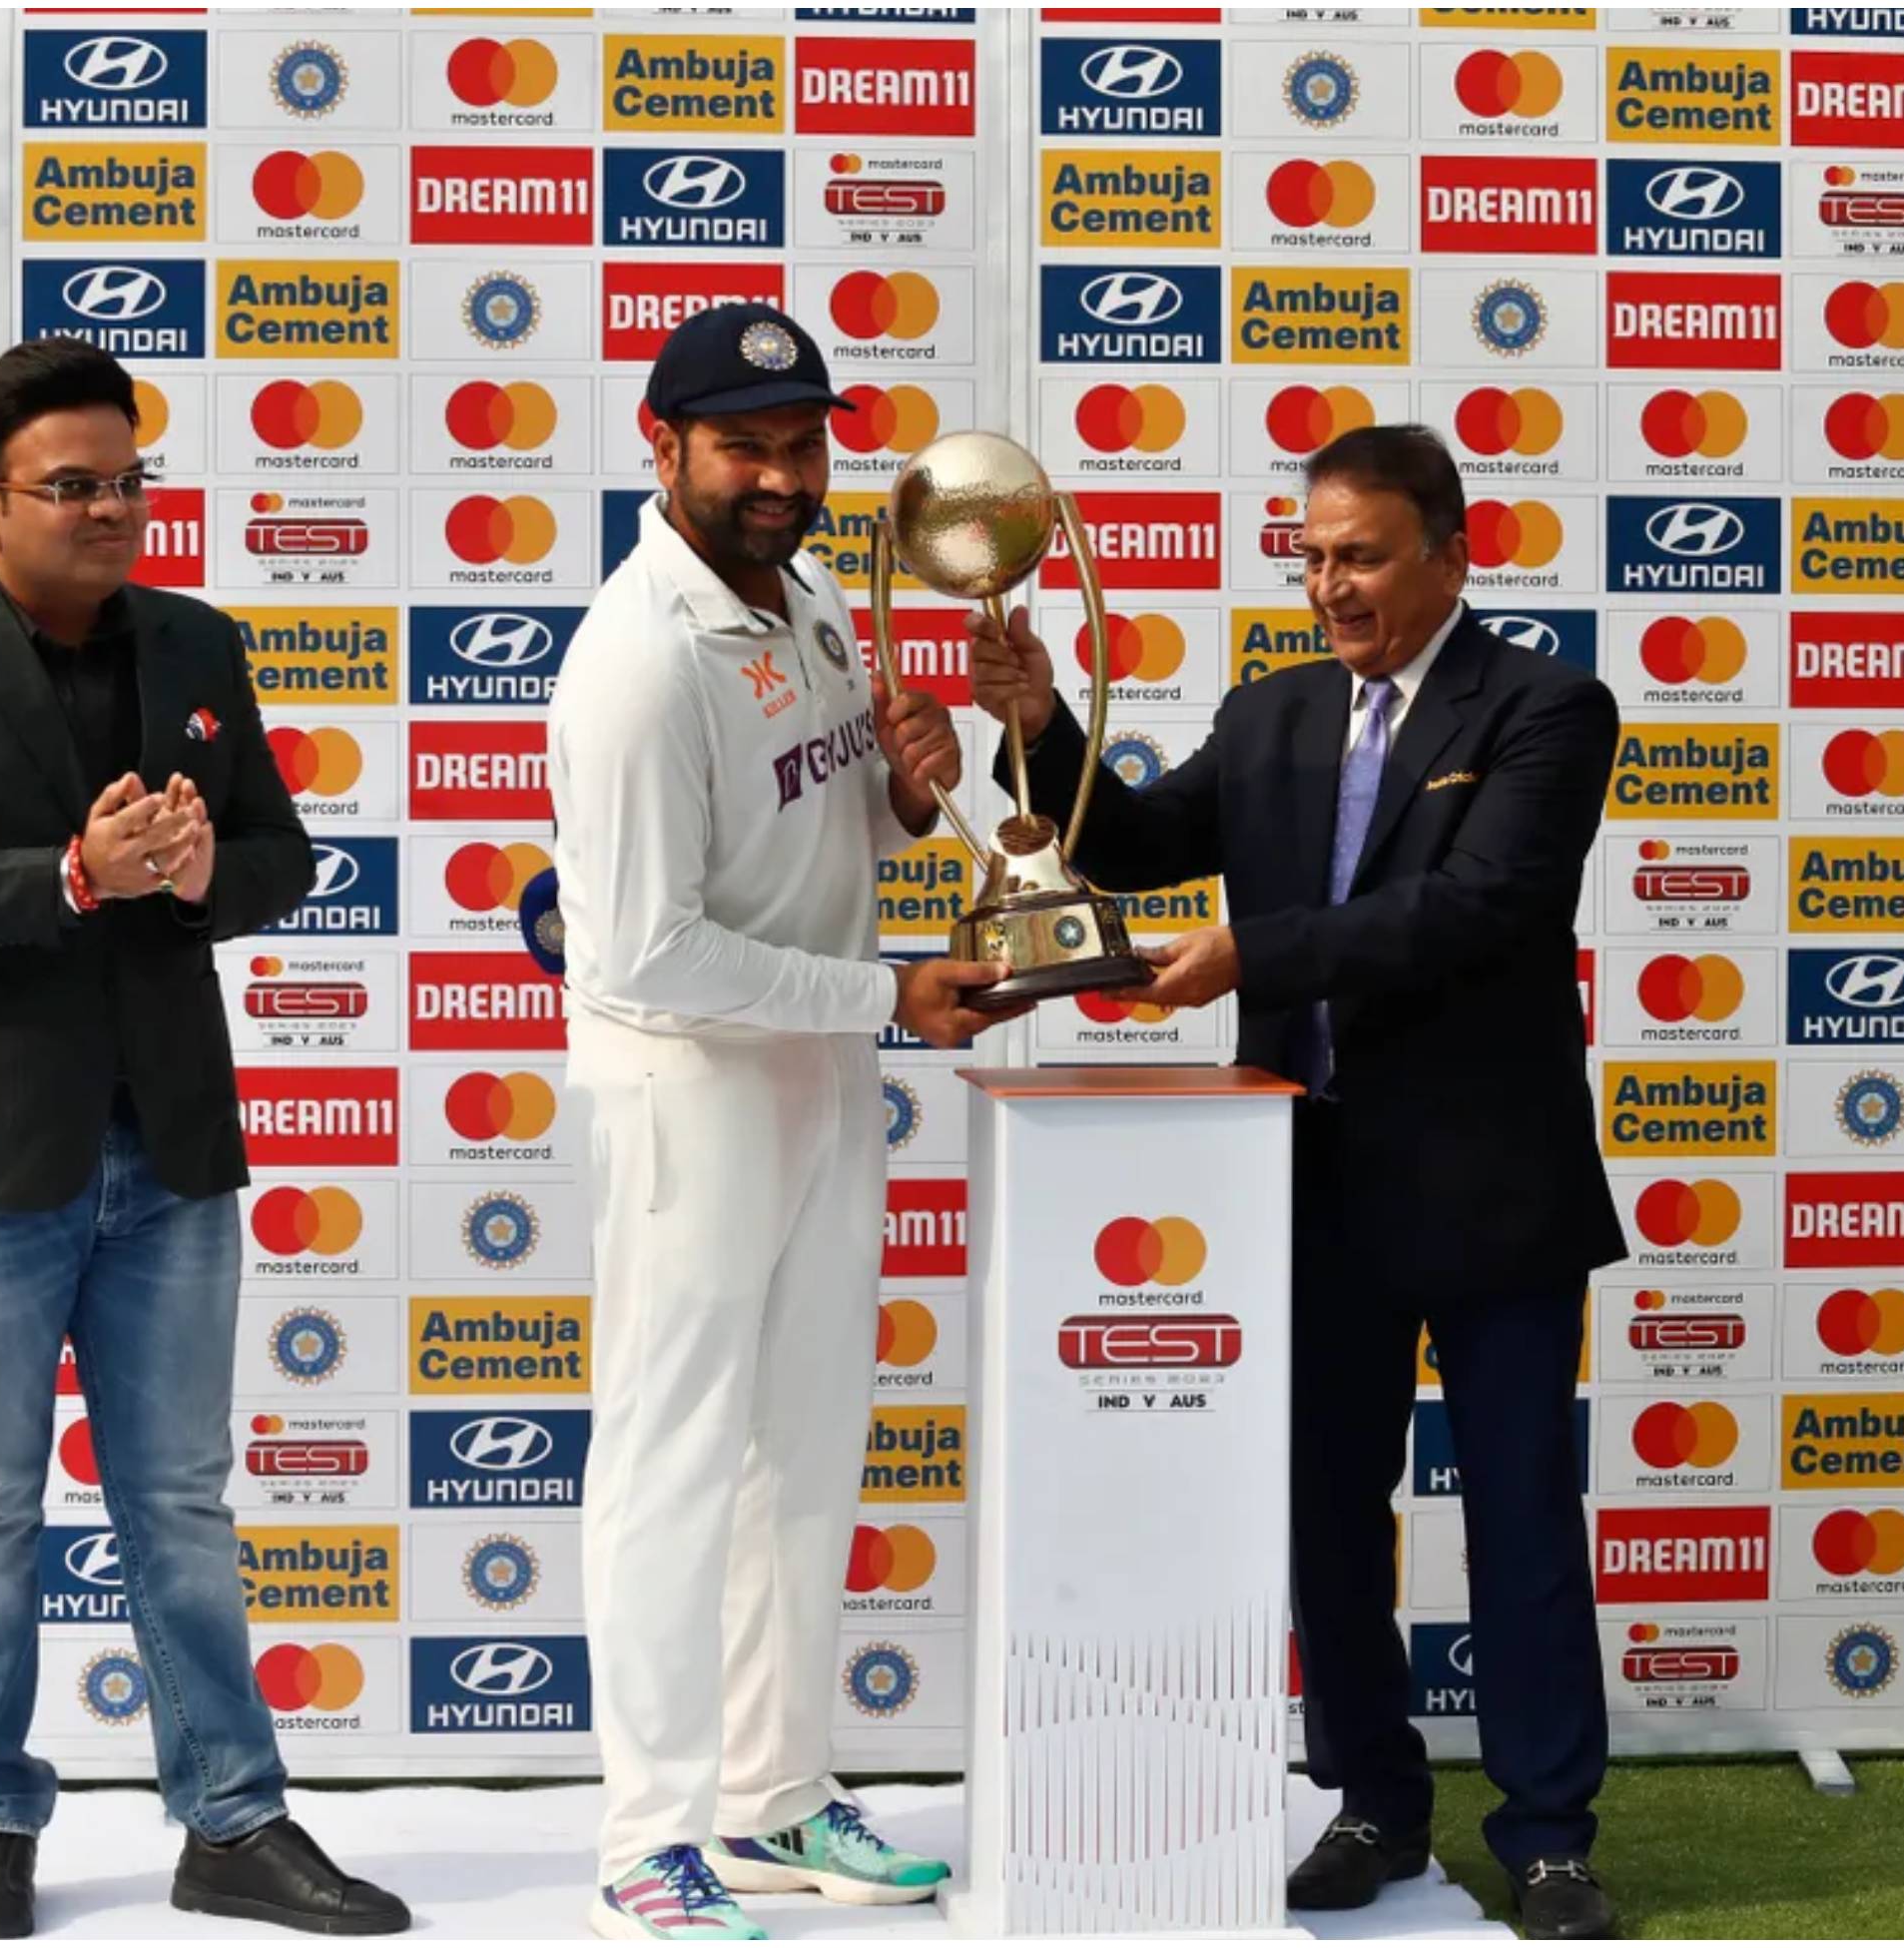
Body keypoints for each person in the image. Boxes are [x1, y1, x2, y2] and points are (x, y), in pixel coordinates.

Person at [970, 423, 1627, 1940]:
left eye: (1363, 555)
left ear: (1452, 555)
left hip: (1491, 1191)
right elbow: (1129, 846)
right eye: (1314, 555)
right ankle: (1376, 1806)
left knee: (1523, 1514)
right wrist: (1045, 721)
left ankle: (1547, 1841)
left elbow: (1475, 908)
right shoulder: (1269, 713)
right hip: (1310, 1183)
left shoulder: (1546, 706)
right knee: (1331, 1514)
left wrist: (1253, 952)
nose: (1331, 584)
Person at [0, 337, 407, 1940]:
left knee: (182, 1504)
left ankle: (231, 1820)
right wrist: (73, 879)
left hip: (170, 1153)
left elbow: (287, 859)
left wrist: (206, 870)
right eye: (73, 486)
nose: (112, 510)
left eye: (129, 482)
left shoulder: (197, 644)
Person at [547, 302, 1010, 1941]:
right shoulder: (639, 654)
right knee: (673, 1467)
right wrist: (885, 998)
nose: (781, 474)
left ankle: (776, 1795)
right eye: (744, 444)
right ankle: (648, 1838)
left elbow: (832, 848)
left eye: (803, 442)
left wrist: (903, 788)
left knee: (807, 1450)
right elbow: (648, 952)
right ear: (660, 445)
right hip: (692, 1089)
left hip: (815, 1070)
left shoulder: (806, 601)